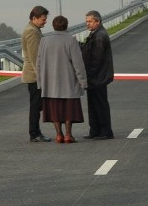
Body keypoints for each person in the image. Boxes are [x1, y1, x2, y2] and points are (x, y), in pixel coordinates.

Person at [36, 16, 88, 143]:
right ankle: (68, 135)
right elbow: (78, 64)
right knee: (68, 109)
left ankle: (58, 134)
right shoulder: (71, 40)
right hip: (68, 82)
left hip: (50, 83)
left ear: (53, 26)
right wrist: (83, 82)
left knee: (54, 109)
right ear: (66, 26)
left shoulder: (44, 41)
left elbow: (38, 63)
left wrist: (40, 82)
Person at [81, 10, 114, 140]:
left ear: (97, 21)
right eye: (86, 21)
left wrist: (88, 74)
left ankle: (105, 131)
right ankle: (95, 130)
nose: (87, 24)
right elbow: (88, 50)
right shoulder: (96, 34)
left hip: (98, 77)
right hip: (95, 77)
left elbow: (96, 59)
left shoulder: (100, 36)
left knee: (100, 105)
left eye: (89, 21)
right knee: (93, 105)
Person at [21, 5, 51, 142]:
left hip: (35, 75)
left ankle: (35, 132)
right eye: (43, 19)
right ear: (34, 18)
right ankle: (34, 133)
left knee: (37, 104)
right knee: (35, 105)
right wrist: (41, 78)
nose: (45, 22)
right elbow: (34, 57)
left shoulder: (34, 29)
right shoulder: (32, 32)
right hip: (34, 76)